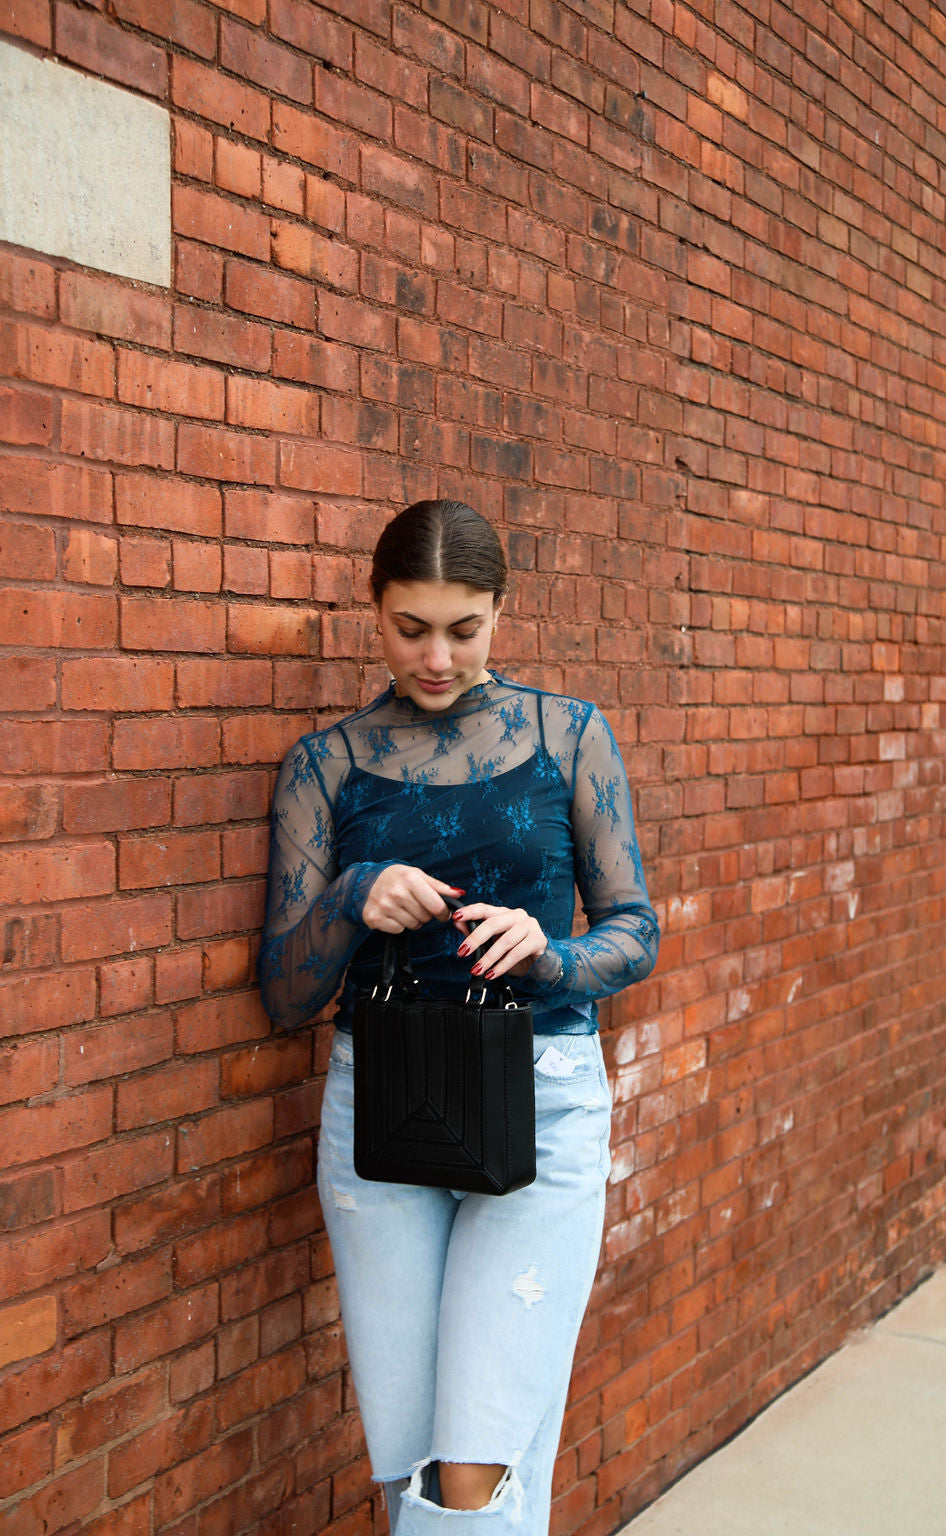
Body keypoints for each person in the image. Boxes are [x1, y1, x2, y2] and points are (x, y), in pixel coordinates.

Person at [259, 499, 659, 1535]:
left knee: (468, 1469)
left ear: (499, 612)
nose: (436, 657)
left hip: (542, 1104)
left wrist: (550, 952)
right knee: (408, 1465)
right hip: (380, 1112)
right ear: (374, 612)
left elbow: (635, 931)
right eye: (409, 628)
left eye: (463, 629)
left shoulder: (567, 733)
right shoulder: (325, 764)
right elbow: (287, 992)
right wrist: (352, 895)